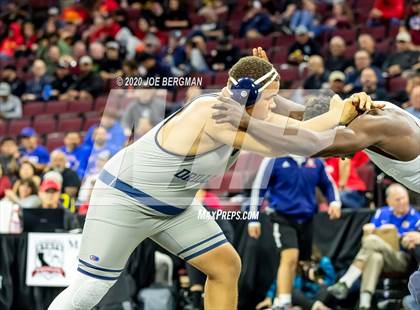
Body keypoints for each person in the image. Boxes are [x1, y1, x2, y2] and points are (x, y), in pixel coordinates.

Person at [49, 48, 366, 310]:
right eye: (269, 99)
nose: (271, 108)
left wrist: (344, 109)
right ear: (247, 95)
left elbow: (293, 117)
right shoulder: (214, 114)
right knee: (88, 290)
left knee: (226, 266)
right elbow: (288, 139)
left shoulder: (244, 107)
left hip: (174, 207)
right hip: (124, 200)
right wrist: (337, 119)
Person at [212, 90, 420, 194]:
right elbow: (303, 117)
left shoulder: (373, 126)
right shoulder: (364, 113)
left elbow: (310, 144)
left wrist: (247, 122)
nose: (341, 155)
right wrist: (267, 91)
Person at [248, 154, 341, 310]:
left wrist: (335, 201)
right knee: (290, 257)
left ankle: (285, 300)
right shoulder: (273, 160)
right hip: (282, 217)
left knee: (302, 263)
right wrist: (253, 219)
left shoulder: (316, 161)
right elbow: (259, 188)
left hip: (307, 218)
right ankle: (283, 303)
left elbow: (328, 183)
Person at [328, 184, 419, 310]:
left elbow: (410, 243)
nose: (402, 202)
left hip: (400, 259)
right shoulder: (382, 212)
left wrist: (395, 235)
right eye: (398, 199)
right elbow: (366, 240)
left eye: (404, 198)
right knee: (375, 257)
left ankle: (346, 281)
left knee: (372, 240)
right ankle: (364, 305)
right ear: (389, 201)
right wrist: (368, 232)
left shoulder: (416, 217)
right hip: (380, 257)